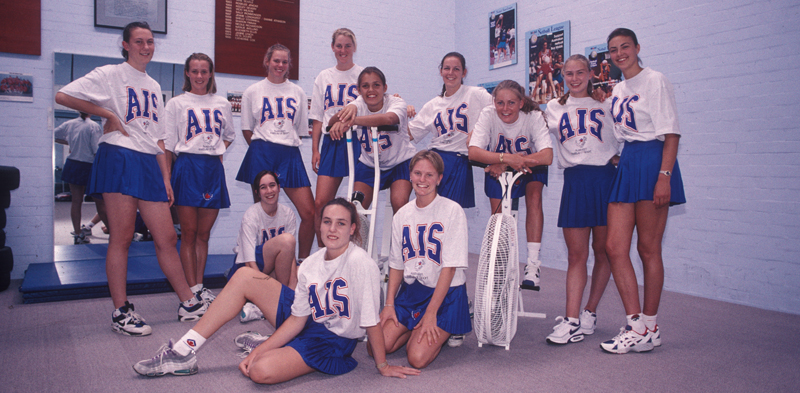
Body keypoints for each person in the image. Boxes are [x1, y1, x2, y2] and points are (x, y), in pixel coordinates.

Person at [133, 198, 421, 383]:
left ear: (352, 228)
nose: (333, 229)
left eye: (341, 223)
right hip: (306, 323)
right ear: (319, 225)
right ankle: (184, 352)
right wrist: (268, 347)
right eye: (327, 222)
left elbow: (370, 322)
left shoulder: (362, 264)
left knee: (260, 371)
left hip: (330, 341)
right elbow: (296, 319)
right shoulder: (310, 264)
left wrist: (382, 365)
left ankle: (266, 344)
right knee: (246, 275)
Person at [55, 21, 207, 336]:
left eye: (150, 41)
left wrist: (166, 178)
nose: (146, 47)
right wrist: (108, 114)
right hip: (119, 157)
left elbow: (160, 140)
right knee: (121, 238)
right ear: (125, 45)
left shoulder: (152, 86)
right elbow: (63, 95)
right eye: (139, 41)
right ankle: (121, 312)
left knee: (166, 237)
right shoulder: (110, 74)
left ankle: (188, 303)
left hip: (149, 164)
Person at [599, 28, 686, 354]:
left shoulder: (655, 80)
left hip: (653, 160)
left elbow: (671, 132)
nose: (620, 53)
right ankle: (636, 324)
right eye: (613, 49)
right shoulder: (618, 88)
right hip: (629, 161)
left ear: (637, 48)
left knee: (649, 248)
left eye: (625, 47)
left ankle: (650, 324)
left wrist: (664, 176)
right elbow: (617, 130)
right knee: (614, 245)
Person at [543, 54, 619, 345]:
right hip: (575, 182)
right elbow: (520, 115)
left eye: (580, 73)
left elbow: (626, 132)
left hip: (605, 180)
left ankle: (589, 312)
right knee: (577, 255)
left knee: (604, 251)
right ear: (562, 76)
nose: (574, 78)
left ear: (590, 74)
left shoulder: (606, 102)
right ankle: (571, 319)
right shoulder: (553, 107)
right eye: (568, 74)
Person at [378, 150, 471, 368]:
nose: (422, 180)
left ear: (439, 178)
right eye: (418, 173)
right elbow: (396, 265)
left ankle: (442, 328)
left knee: (417, 358)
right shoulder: (402, 215)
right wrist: (389, 304)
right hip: (413, 291)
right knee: (378, 347)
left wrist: (430, 314)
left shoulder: (452, 211)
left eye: (429, 175)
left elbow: (448, 269)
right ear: (410, 175)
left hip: (445, 293)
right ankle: (413, 326)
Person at [468, 79, 553, 291]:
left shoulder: (533, 116)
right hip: (501, 164)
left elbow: (547, 155)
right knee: (499, 215)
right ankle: (500, 263)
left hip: (530, 164)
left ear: (521, 103)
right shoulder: (488, 114)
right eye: (500, 103)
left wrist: (511, 161)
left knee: (534, 197)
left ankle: (533, 264)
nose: (505, 109)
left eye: (511, 103)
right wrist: (504, 161)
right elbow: (474, 152)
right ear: (494, 102)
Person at [164, 53, 235, 304]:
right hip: (187, 166)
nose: (199, 76)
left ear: (210, 74)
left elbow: (229, 135)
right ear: (187, 73)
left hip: (212, 169)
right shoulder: (176, 103)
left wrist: (217, 151)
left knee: (204, 234)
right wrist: (168, 176)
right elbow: (168, 145)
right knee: (189, 233)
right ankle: (191, 288)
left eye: (204, 71)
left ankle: (200, 285)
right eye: (194, 71)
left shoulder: (222, 103)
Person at [236, 44, 314, 260]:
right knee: (263, 214)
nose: (280, 65)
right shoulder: (253, 91)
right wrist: (262, 149)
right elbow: (246, 128)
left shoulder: (297, 92)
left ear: (289, 65)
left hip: (289, 154)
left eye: (284, 61)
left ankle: (303, 262)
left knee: (309, 213)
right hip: (262, 152)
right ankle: (260, 262)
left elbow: (298, 129)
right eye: (276, 60)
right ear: (267, 61)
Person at [408, 52, 492, 209]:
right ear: (441, 71)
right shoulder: (432, 105)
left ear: (464, 72)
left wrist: (477, 132)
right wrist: (399, 109)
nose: (451, 73)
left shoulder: (476, 94)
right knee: (428, 209)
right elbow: (408, 134)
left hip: (458, 159)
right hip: (434, 160)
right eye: (447, 68)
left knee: (451, 212)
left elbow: (496, 113)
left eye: (456, 69)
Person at [329, 67, 415, 213]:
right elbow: (331, 123)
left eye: (376, 85)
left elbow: (389, 119)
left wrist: (352, 121)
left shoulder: (396, 102)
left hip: (399, 162)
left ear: (384, 87)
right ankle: (361, 236)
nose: (371, 90)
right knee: (356, 209)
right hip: (370, 164)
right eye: (365, 86)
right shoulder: (357, 105)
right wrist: (345, 113)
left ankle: (400, 236)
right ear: (358, 90)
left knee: (399, 203)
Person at [310, 28, 363, 247]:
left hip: (357, 141)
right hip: (331, 142)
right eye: (339, 46)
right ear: (333, 47)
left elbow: (373, 105)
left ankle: (355, 255)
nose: (343, 50)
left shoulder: (362, 74)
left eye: (347, 46)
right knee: (321, 203)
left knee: (357, 204)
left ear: (354, 48)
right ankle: (324, 254)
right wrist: (315, 149)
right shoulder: (324, 76)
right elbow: (317, 117)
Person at [231, 170, 299, 323]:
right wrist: (263, 291)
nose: (269, 191)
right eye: (263, 187)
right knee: (286, 240)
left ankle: (266, 305)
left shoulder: (288, 214)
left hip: (272, 267)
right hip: (248, 268)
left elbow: (291, 257)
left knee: (302, 272)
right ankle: (275, 302)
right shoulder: (251, 215)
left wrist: (292, 287)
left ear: (279, 187)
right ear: (257, 192)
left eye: (272, 185)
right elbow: (249, 262)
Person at [53, 111, 105, 244]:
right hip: (88, 166)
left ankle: (78, 234)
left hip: (73, 164)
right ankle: (115, 233)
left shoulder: (69, 124)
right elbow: (96, 151)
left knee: (76, 201)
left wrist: (72, 143)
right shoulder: (93, 126)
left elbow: (52, 135)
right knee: (100, 202)